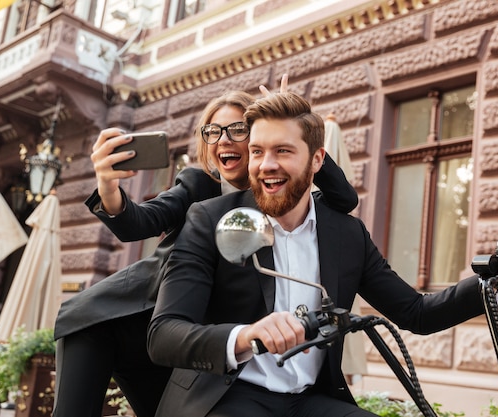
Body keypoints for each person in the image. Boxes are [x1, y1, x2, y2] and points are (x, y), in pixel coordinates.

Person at [147, 91, 498, 417]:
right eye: (257, 151)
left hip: (307, 400)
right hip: (226, 396)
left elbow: (416, 313)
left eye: (283, 151)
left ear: (317, 160)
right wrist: (246, 335)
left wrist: (493, 279)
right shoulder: (212, 219)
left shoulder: (345, 234)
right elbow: (164, 335)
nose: (266, 165)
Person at [52, 86, 358, 417]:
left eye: (237, 129)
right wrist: (109, 188)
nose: (223, 140)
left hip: (188, 343)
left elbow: (345, 199)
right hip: (116, 321)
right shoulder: (198, 186)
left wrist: (293, 126)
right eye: (212, 132)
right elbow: (138, 224)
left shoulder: (283, 200)